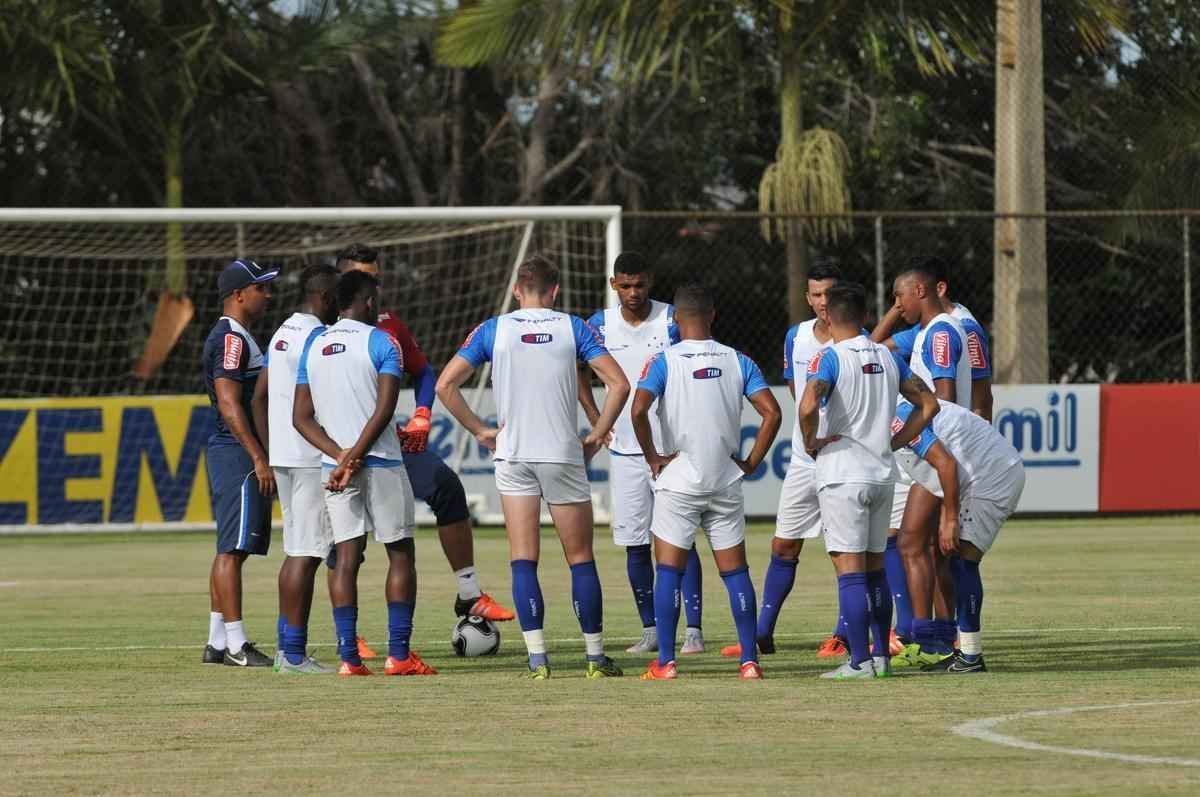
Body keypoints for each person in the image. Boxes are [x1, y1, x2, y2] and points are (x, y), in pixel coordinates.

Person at [436, 254, 630, 680]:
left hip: (514, 455)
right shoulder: (573, 326)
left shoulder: (494, 329)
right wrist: (598, 433)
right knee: (579, 557)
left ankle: (538, 659)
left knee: (523, 558)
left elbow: (444, 385)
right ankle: (595, 658)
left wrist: (480, 430)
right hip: (562, 453)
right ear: (556, 291)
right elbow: (619, 383)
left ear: (516, 290)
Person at [334, 245, 514, 646]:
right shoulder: (323, 333)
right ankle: (349, 635)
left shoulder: (386, 324)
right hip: (337, 454)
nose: (375, 290)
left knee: (445, 486)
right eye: (367, 281)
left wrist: (421, 413)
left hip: (385, 447)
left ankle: (469, 594)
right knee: (348, 541)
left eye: (377, 280)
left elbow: (425, 370)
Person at [716, 262, 876, 660]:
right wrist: (809, 440)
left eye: (829, 294)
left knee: (848, 551)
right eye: (816, 295)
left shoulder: (861, 340)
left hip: (845, 460)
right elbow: (796, 391)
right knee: (784, 544)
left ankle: (842, 634)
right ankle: (762, 636)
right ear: (807, 298)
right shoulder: (797, 337)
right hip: (806, 460)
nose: (823, 302)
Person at [634, 283, 782, 681]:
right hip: (724, 480)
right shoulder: (739, 361)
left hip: (678, 481)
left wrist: (653, 457)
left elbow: (638, 410)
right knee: (735, 573)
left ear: (675, 319)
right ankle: (749, 661)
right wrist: (750, 462)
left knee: (667, 571)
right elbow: (772, 413)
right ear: (713, 314)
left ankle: (666, 662)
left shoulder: (663, 361)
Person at [293, 269, 435, 677]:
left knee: (346, 560)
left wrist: (340, 457)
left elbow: (300, 417)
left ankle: (348, 660)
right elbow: (385, 408)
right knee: (400, 553)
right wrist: (355, 456)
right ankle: (399, 656)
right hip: (383, 463)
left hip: (334, 467)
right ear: (368, 301)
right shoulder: (382, 341)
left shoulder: (315, 345)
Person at [798, 281, 938, 679]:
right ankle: (881, 659)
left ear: (828, 315)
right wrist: (896, 439)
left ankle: (858, 661)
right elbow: (928, 404)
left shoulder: (829, 358)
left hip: (842, 475)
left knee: (850, 571)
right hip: (881, 476)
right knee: (876, 569)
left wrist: (811, 440)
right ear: (865, 317)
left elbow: (808, 403)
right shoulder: (888, 356)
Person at [577, 251, 705, 655]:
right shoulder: (598, 325)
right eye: (626, 285)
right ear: (614, 283)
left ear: (651, 281)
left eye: (641, 285)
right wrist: (597, 418)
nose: (634, 293)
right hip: (627, 453)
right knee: (635, 544)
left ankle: (693, 631)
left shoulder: (671, 320)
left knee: (682, 540)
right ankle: (650, 628)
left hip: (670, 450)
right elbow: (578, 371)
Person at [874, 259, 974, 663]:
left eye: (900, 296)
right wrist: (896, 312)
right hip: (932, 451)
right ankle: (941, 637)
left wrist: (936, 451)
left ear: (921, 291)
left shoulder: (939, 335)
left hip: (937, 452)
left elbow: (944, 398)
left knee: (915, 542)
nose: (896, 305)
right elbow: (872, 347)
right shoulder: (926, 331)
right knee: (927, 547)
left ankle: (930, 639)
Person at [892, 398, 1025, 673]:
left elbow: (946, 464)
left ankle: (971, 656)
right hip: (977, 473)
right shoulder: (887, 406)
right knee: (951, 558)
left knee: (963, 561)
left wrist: (950, 518)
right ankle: (960, 650)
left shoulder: (896, 416)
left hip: (991, 476)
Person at [251, 263, 339, 673]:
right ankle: (291, 653)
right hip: (309, 457)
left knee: (299, 551)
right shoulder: (319, 337)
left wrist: (271, 453)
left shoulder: (282, 331)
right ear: (324, 297)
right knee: (305, 553)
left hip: (286, 456)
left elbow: (260, 397)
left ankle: (290, 648)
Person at [201, 259, 278, 668]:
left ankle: (217, 641)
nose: (267, 294)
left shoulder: (239, 335)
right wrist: (258, 456)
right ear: (238, 294)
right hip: (236, 452)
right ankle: (236, 644)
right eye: (261, 287)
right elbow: (230, 402)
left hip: (231, 450)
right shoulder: (232, 338)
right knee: (233, 549)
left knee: (232, 549)